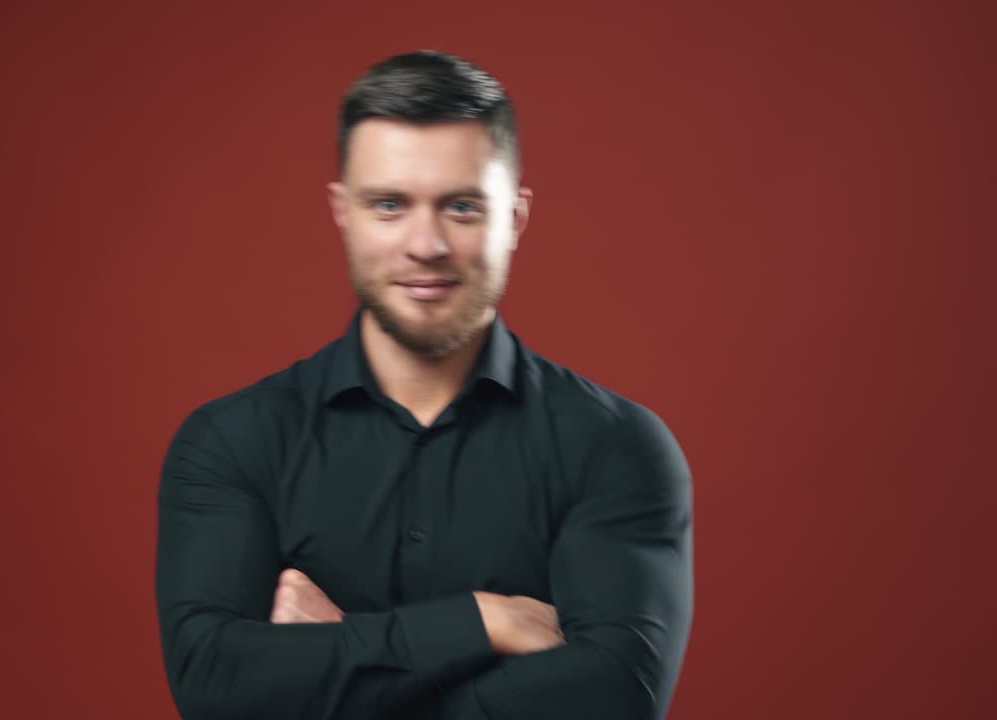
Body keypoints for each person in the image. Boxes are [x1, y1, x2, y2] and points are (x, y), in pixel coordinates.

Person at [156, 50, 693, 719]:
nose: (425, 244)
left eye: (462, 207)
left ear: (516, 219)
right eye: (389, 204)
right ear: (342, 212)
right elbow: (214, 689)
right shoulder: (232, 441)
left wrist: (335, 657)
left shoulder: (615, 445)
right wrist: (481, 622)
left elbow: (618, 698)